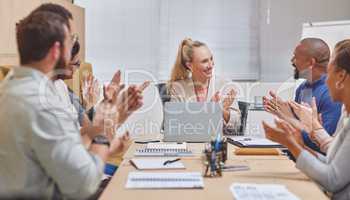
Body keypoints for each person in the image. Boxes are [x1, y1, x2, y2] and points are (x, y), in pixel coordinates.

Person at [0, 10, 142, 199]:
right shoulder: (43, 104)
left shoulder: (13, 86)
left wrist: (112, 118)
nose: (74, 47)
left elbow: (72, 150)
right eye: (71, 39)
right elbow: (85, 183)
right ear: (56, 51)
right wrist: (102, 133)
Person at [263, 39, 350, 199]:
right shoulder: (304, 89)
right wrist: (296, 130)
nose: (326, 78)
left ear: (341, 76)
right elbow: (332, 156)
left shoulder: (331, 97)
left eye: (330, 69)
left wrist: (294, 141)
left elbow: (332, 177)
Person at [263, 38, 342, 153]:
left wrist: (288, 117)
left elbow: (324, 145)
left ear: (311, 63)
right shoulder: (303, 88)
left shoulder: (331, 93)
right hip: (299, 157)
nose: (292, 60)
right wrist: (284, 115)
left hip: (318, 164)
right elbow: (297, 129)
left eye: (296, 57)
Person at [168, 38, 241, 134]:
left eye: (211, 58)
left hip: (217, 145)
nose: (211, 65)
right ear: (190, 65)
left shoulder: (225, 85)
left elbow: (237, 126)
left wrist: (221, 111)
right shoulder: (178, 88)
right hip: (189, 145)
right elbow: (174, 125)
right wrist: (209, 109)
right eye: (204, 61)